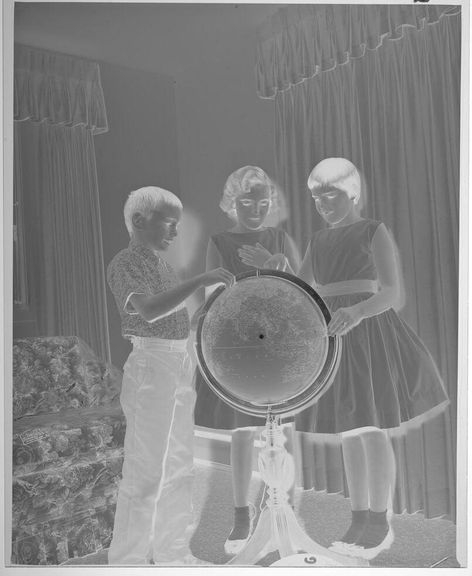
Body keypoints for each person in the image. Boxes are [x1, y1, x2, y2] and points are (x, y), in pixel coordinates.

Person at [294, 158, 449, 560]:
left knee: (370, 426)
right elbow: (301, 287)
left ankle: (379, 521)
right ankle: (358, 516)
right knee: (348, 431)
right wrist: (278, 269)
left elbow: (391, 292)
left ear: (352, 193)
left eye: (330, 195)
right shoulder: (318, 240)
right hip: (333, 335)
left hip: (367, 333)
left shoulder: (372, 230)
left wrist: (357, 312)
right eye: (316, 198)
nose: (323, 204)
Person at [106, 186, 233, 565]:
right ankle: (127, 563)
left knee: (179, 464)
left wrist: (207, 312)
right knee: (145, 471)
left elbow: (176, 319)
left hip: (178, 361)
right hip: (151, 365)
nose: (176, 232)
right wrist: (200, 280)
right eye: (169, 223)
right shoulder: (125, 263)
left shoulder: (162, 266)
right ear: (139, 220)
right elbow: (149, 311)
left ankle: (171, 553)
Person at [193, 166, 301, 555]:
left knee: (281, 430)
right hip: (237, 343)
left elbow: (301, 289)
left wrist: (275, 260)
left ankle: (285, 508)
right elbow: (212, 295)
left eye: (262, 202)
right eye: (246, 202)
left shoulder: (279, 239)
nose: (255, 210)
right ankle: (241, 514)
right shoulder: (220, 241)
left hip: (277, 342)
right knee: (241, 431)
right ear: (232, 203)